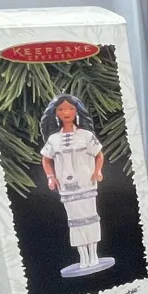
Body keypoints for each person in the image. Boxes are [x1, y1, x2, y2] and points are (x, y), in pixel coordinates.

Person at [40, 94, 115, 277]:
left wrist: (97, 171)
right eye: (61, 109)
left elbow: (99, 155)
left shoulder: (86, 136)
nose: (66, 113)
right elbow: (46, 159)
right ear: (55, 113)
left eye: (70, 109)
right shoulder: (54, 139)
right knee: (74, 221)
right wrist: (50, 177)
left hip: (86, 183)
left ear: (77, 111)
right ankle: (83, 257)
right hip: (67, 186)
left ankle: (94, 255)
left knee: (91, 217)